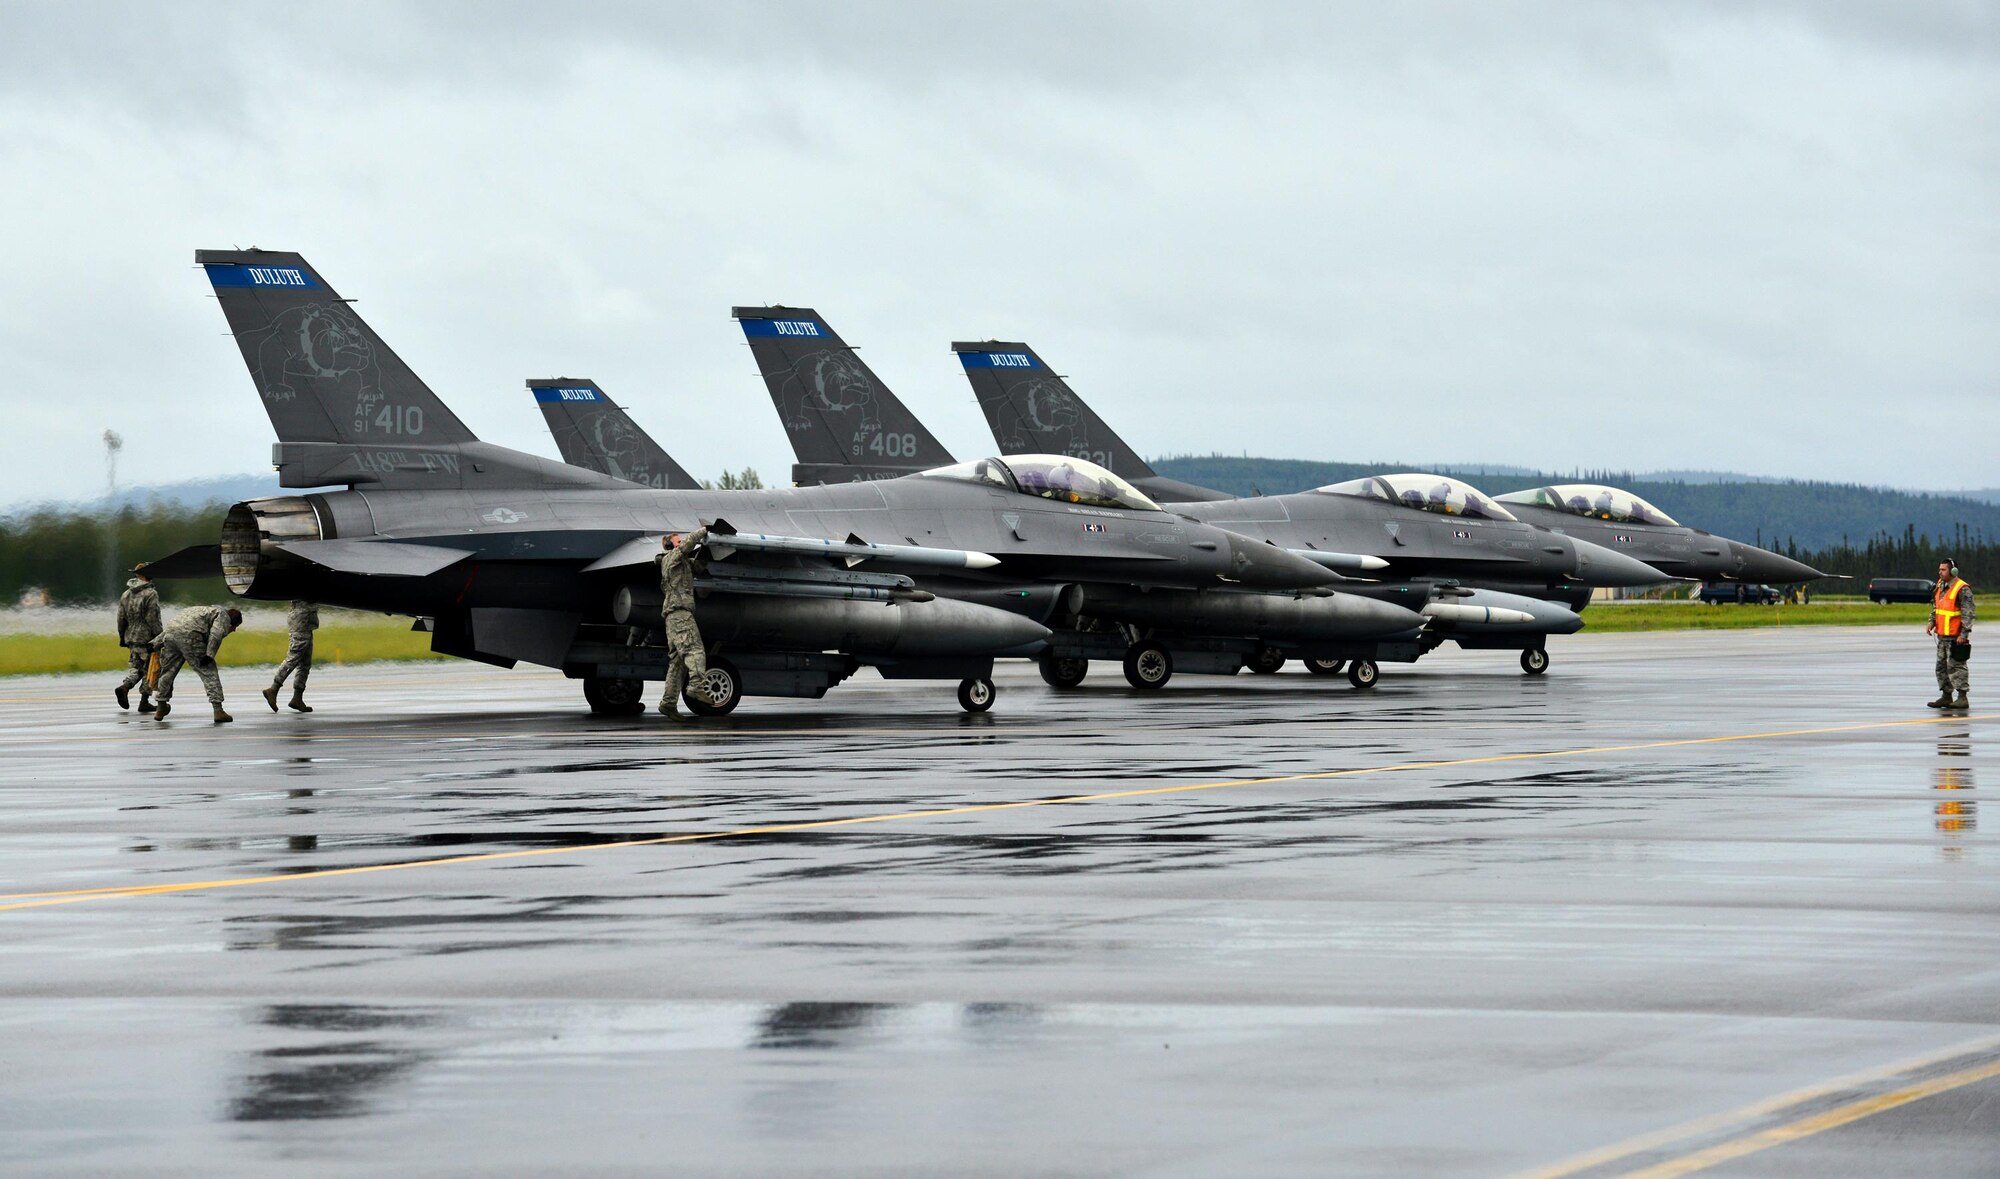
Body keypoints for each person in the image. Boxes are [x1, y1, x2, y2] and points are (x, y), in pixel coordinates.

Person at [656, 527, 712, 717]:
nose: (681, 544)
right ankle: (697, 686)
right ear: (670, 545)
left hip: (674, 616)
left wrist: (709, 548)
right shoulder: (671, 558)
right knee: (695, 650)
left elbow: (699, 567)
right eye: (677, 541)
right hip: (679, 613)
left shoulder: (683, 563)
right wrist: (704, 531)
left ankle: (668, 703)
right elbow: (686, 546)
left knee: (678, 662)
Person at [153, 605, 242, 723]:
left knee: (167, 671)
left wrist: (154, 643)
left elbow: (174, 628)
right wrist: (209, 655)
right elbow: (216, 634)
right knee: (209, 672)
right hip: (191, 637)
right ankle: (218, 711)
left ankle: (161, 707)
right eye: (235, 626)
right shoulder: (222, 615)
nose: (234, 630)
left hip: (171, 636)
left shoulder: (200, 611)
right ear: (232, 621)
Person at [113, 564, 162, 713]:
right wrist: (160, 637)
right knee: (150, 668)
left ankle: (125, 686)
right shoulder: (150, 593)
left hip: (131, 636)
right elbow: (152, 618)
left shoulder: (126, 594)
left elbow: (121, 618)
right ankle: (144, 701)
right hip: (147, 637)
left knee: (136, 666)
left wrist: (122, 636)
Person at [1927, 558, 1974, 711]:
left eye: (1943, 570)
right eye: (1939, 569)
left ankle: (1962, 697)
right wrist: (1931, 621)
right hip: (1942, 636)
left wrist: (1964, 634)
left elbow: (1968, 613)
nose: (1940, 572)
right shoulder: (1940, 586)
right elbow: (1937, 607)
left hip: (1956, 637)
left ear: (1953, 571)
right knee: (1941, 667)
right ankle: (1946, 696)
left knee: (1957, 666)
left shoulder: (1962, 588)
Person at [262, 600, 320, 713]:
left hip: (306, 622)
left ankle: (297, 698)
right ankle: (273, 689)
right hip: (301, 621)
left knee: (305, 664)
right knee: (293, 658)